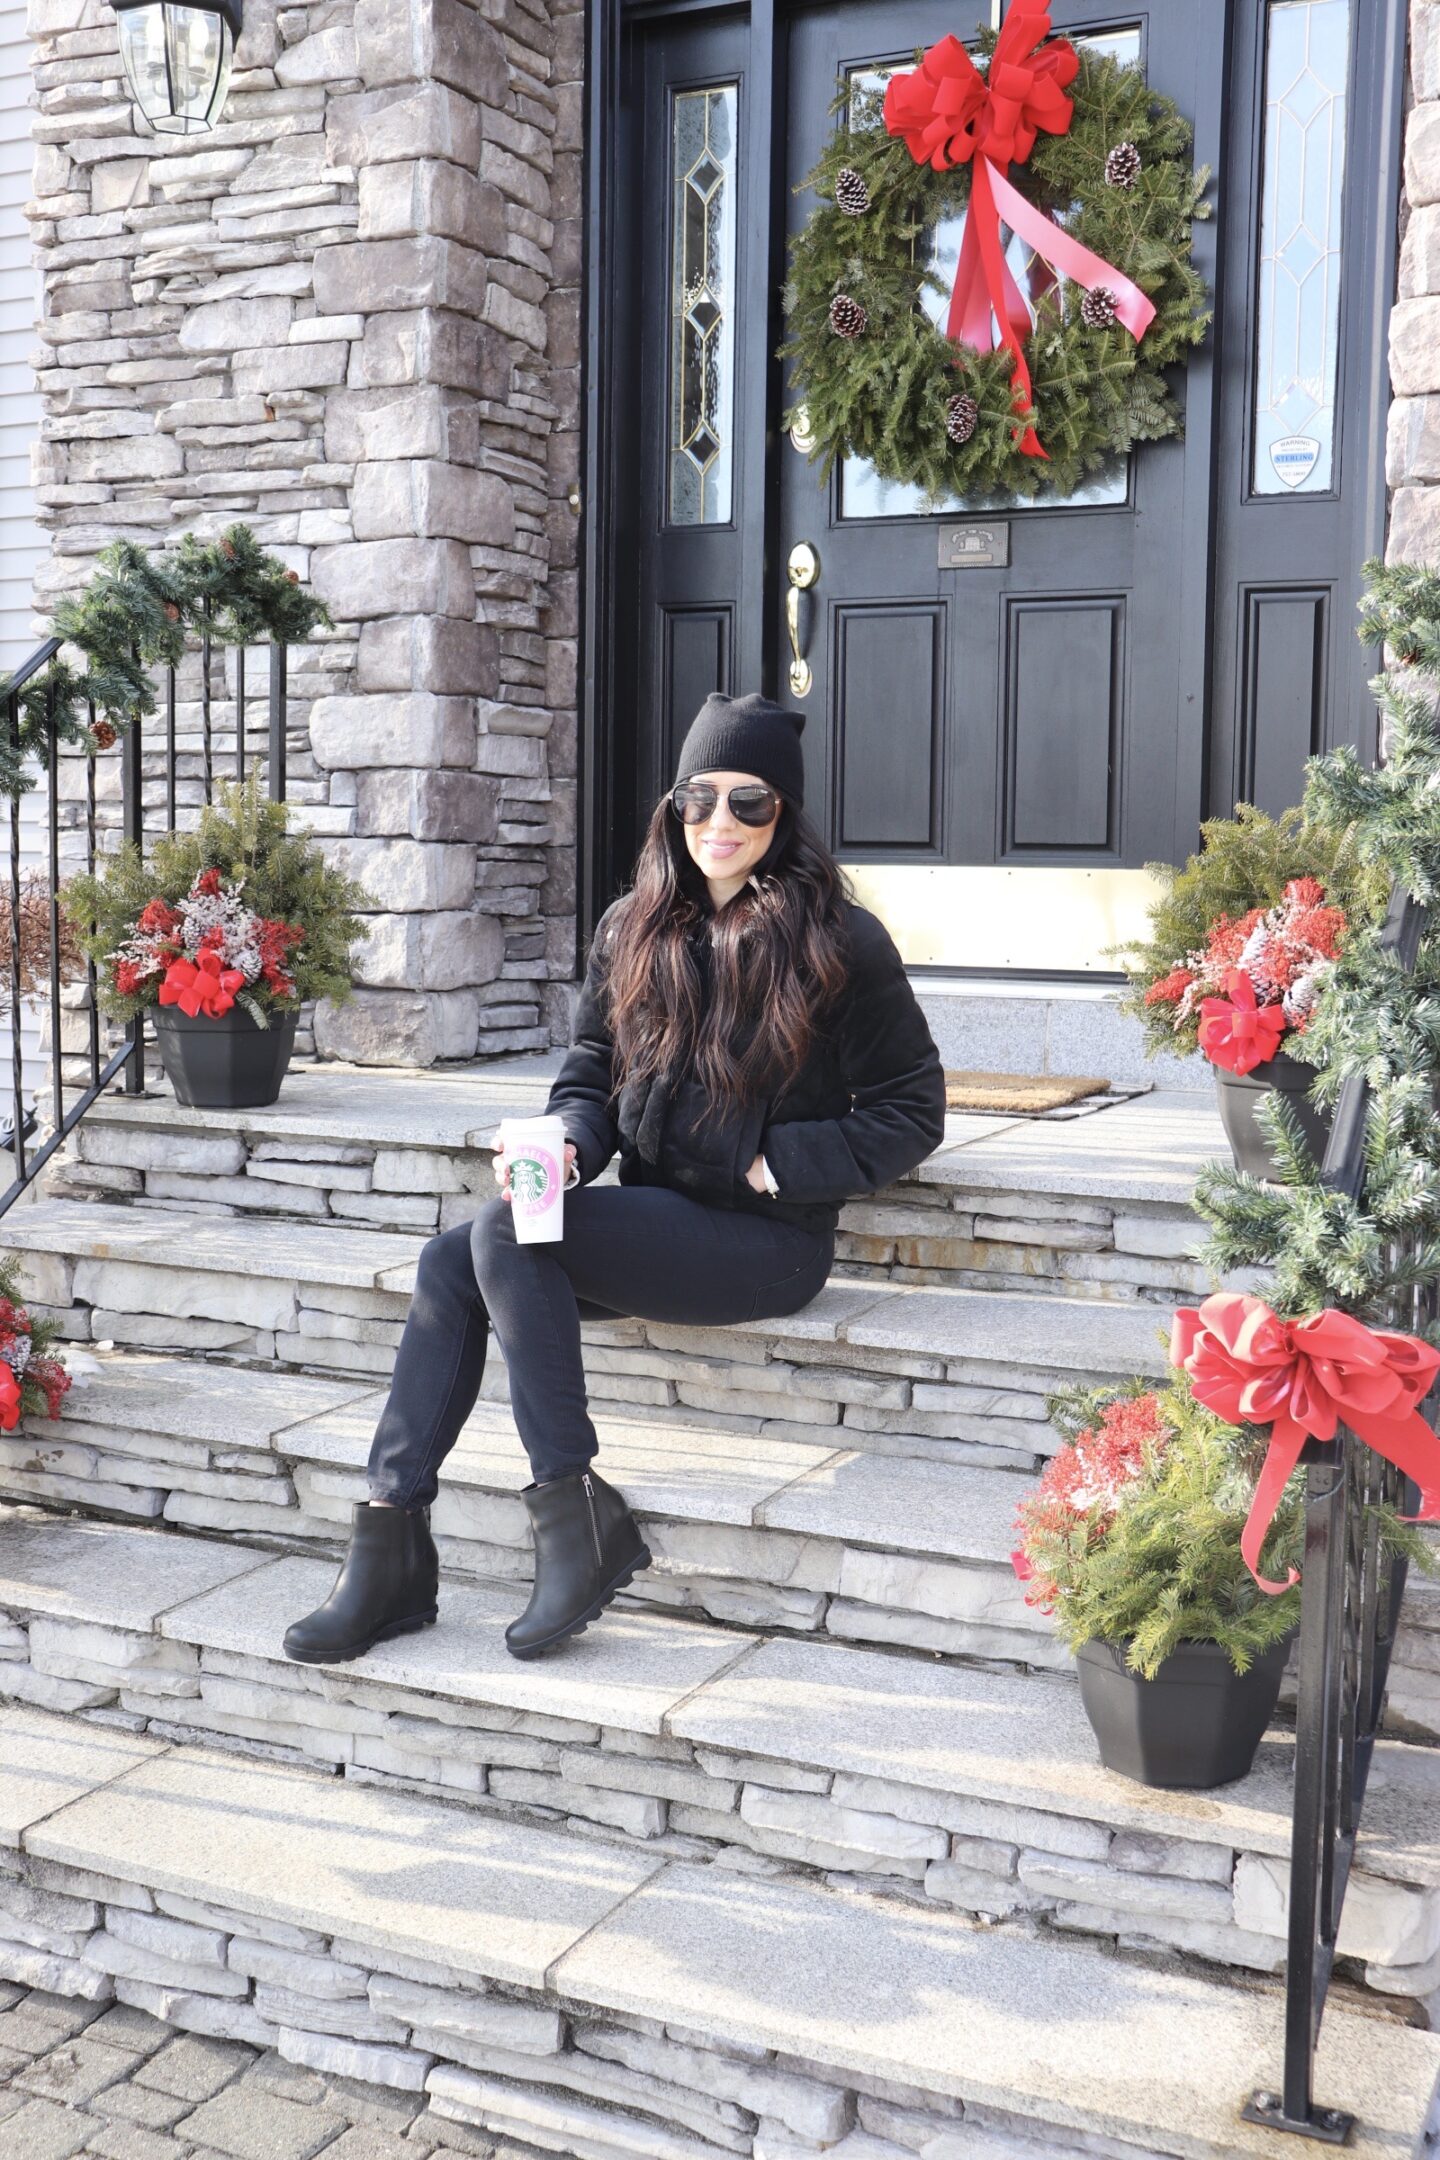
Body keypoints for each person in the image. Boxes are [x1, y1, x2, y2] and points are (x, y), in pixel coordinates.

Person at [282, 691, 947, 1667]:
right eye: (699, 798)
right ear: (672, 810)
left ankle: (574, 1511)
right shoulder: (629, 928)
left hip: (767, 1241)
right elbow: (588, 1079)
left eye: (750, 803)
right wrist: (565, 1148)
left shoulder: (841, 945)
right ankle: (390, 1544)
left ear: (786, 815)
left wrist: (780, 1162)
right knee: (451, 1260)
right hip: (655, 1211)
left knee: (499, 1238)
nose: (720, 823)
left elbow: (912, 1108)